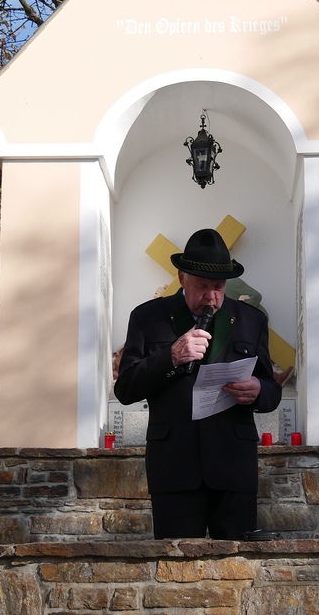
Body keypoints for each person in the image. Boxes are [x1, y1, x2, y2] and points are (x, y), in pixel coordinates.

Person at [114, 229, 281, 540]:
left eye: (218, 287)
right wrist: (171, 356)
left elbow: (272, 391)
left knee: (239, 562)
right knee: (176, 561)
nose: (211, 297)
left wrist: (259, 390)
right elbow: (125, 389)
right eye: (202, 286)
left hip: (233, 464)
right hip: (174, 464)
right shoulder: (147, 317)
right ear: (182, 278)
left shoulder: (251, 320)